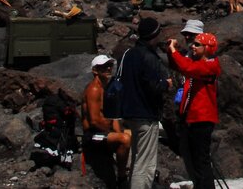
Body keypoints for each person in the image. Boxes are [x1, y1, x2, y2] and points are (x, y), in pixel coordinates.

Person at [119, 16, 171, 189]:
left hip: (130, 112)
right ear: (155, 35)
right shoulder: (148, 57)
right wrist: (166, 84)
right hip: (145, 114)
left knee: (136, 159)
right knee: (145, 164)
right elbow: (152, 86)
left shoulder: (129, 54)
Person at [167, 31, 222, 189]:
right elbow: (178, 65)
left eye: (197, 44)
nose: (193, 46)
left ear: (207, 48)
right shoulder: (198, 63)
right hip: (192, 118)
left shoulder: (210, 65)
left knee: (201, 161)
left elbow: (187, 67)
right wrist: (171, 51)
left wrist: (173, 51)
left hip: (202, 119)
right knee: (193, 160)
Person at [81, 54, 132, 187]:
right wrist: (113, 134)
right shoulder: (94, 89)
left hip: (104, 132)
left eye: (110, 65)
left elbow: (112, 116)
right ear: (95, 70)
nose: (108, 68)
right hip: (92, 135)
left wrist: (117, 131)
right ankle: (122, 176)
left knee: (132, 134)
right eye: (104, 66)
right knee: (124, 139)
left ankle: (130, 171)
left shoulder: (108, 89)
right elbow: (94, 121)